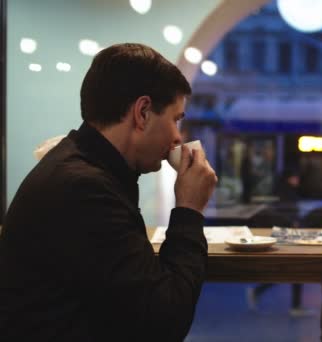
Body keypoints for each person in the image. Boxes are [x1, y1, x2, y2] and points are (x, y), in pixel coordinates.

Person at [0, 43, 217, 341]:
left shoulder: (81, 168)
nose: (178, 136)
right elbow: (165, 322)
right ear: (142, 113)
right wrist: (190, 210)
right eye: (176, 119)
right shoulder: (84, 190)